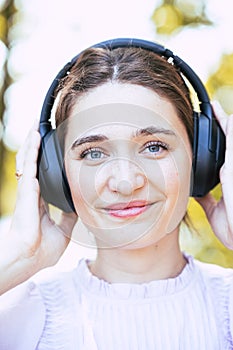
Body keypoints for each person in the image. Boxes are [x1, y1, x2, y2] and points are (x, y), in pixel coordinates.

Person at [0, 41, 233, 350]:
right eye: (94, 153)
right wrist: (17, 258)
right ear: (55, 174)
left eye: (154, 147)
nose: (125, 182)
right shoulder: (19, 319)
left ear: (203, 159)